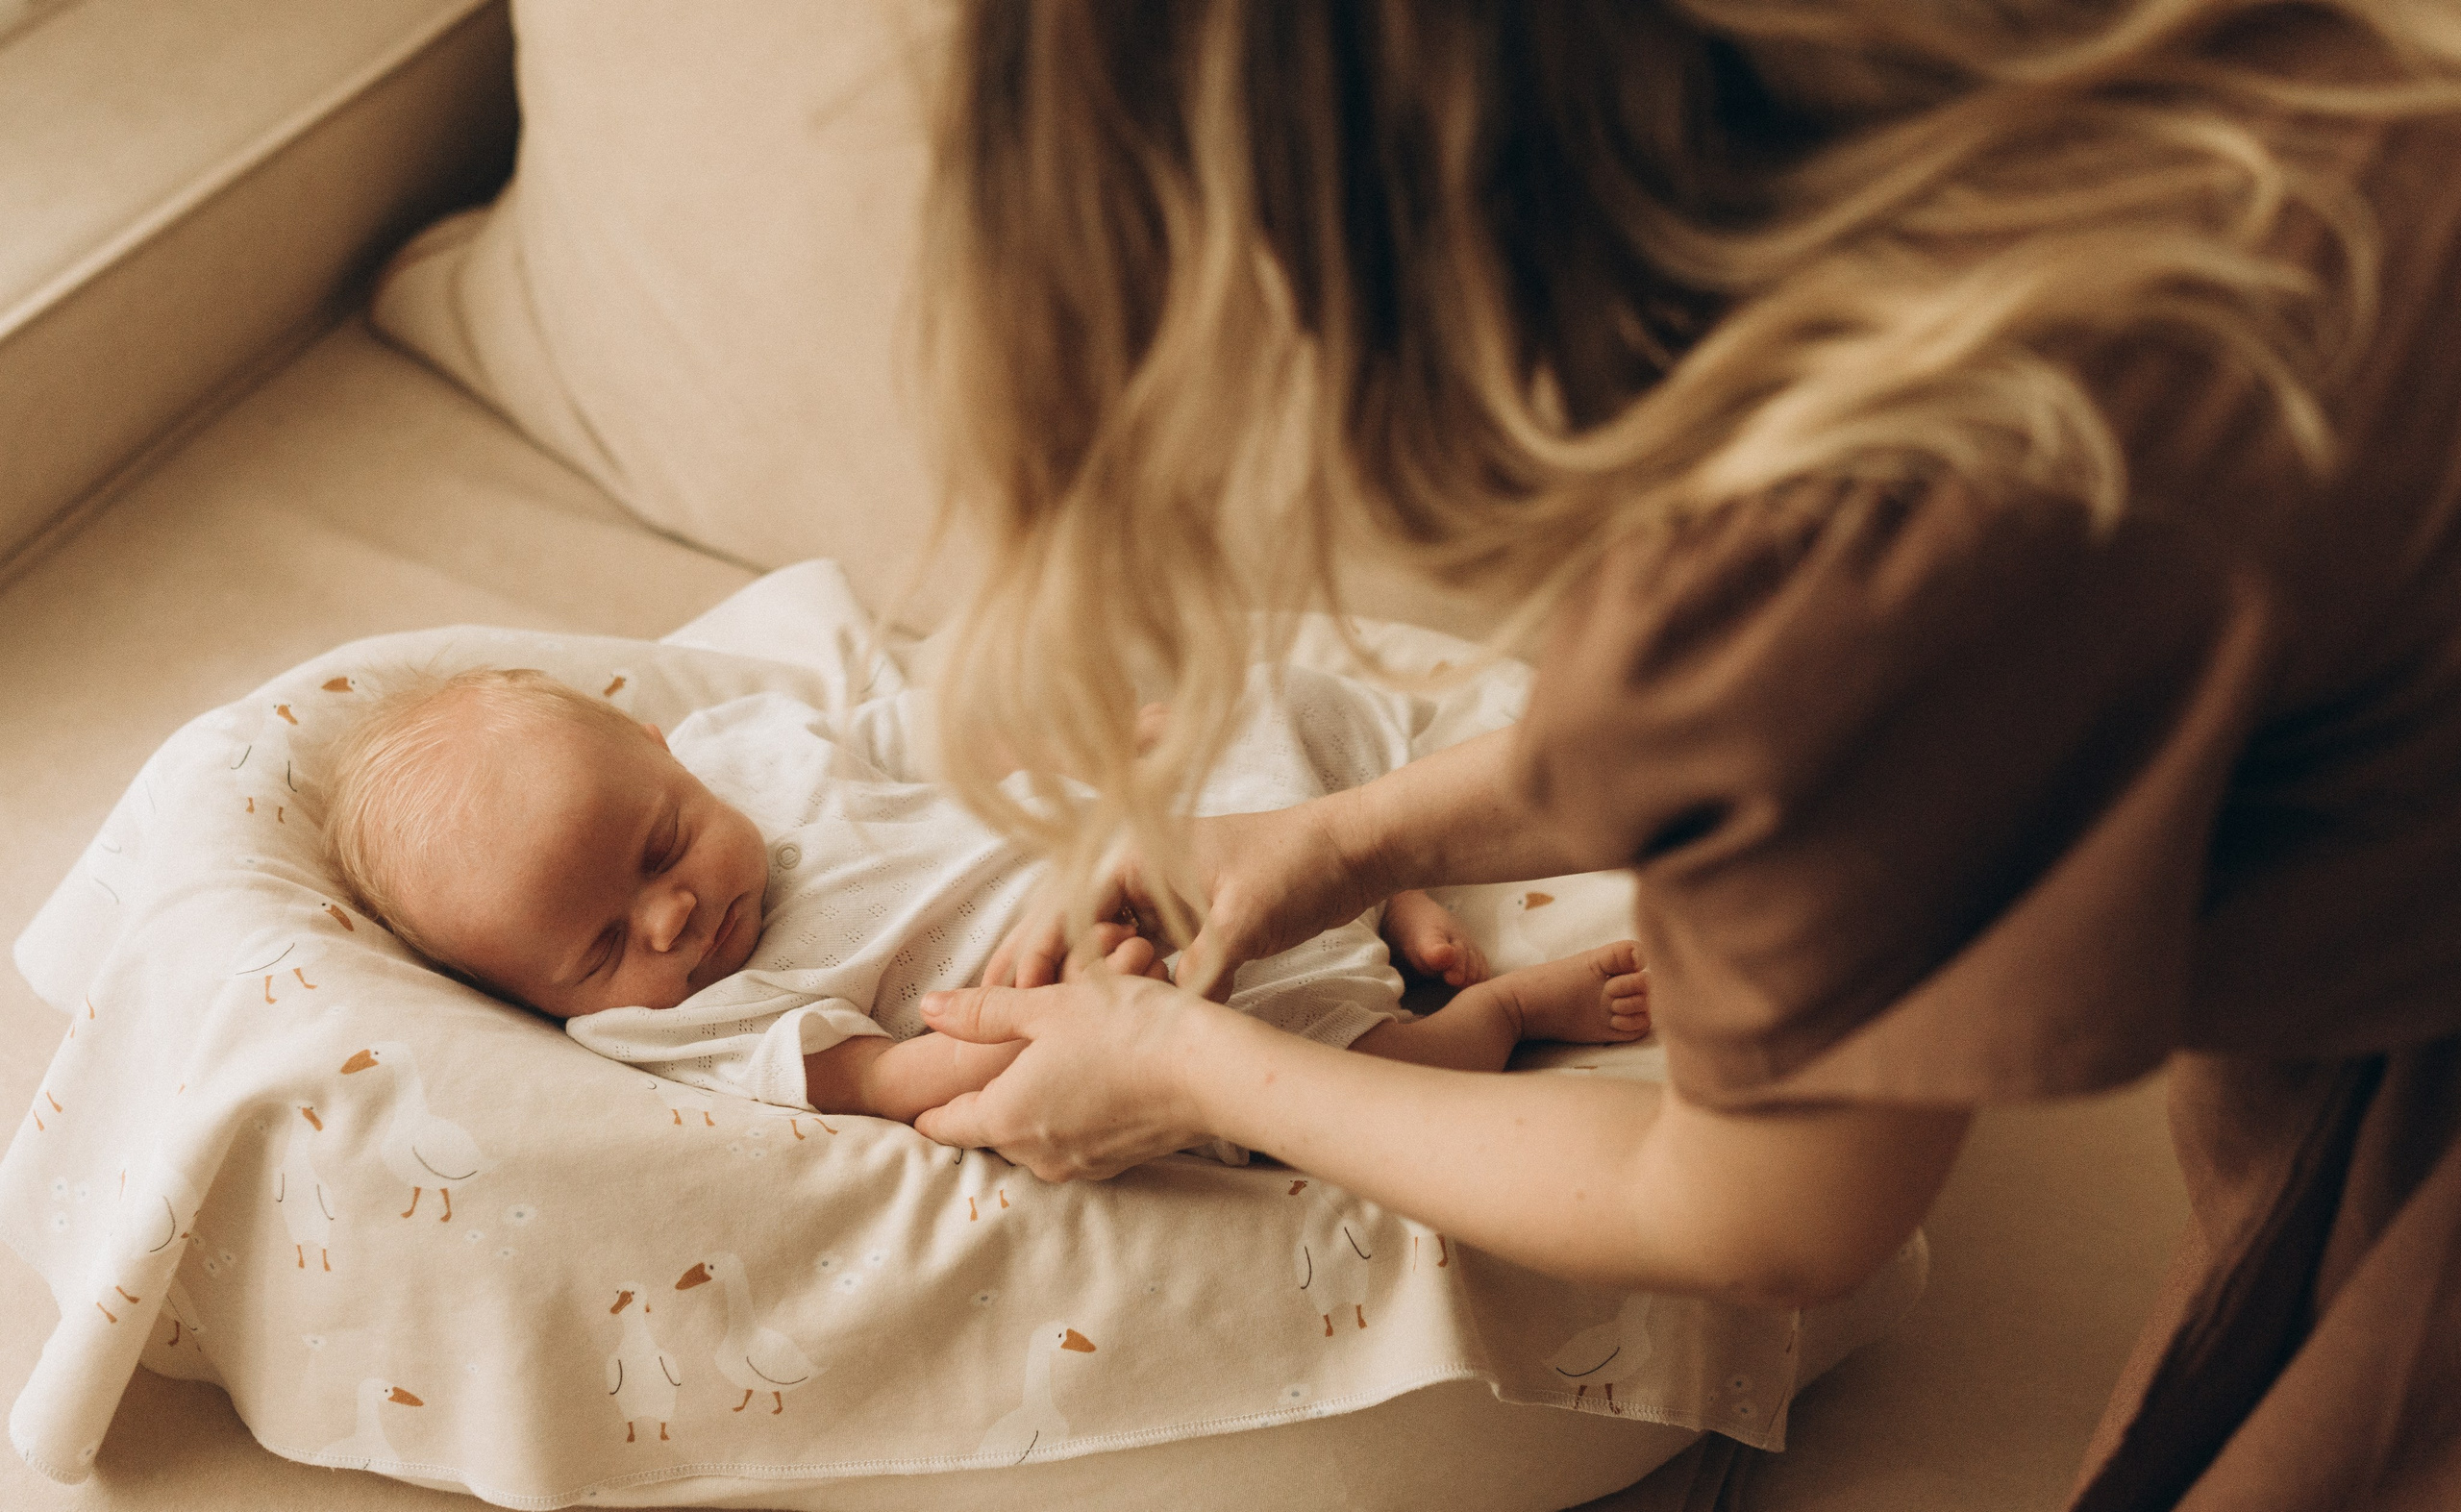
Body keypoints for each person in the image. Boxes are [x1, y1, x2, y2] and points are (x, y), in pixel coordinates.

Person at [898, 3, 2461, 1506]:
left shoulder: (1855, 545)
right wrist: (1336, 839)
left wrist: (1187, 1067)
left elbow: (1770, 1206)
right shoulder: (2111, 116)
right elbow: (1828, 728)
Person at [317, 666, 1650, 1127]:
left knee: (1257, 706)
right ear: (536, 998)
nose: (670, 917)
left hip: (1164, 841)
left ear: (668, 755)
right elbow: (882, 1078)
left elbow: (923, 734)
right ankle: (1512, 1006)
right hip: (1135, 985)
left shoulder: (749, 748)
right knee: (1367, 1074)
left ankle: (1395, 877)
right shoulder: (668, 1024)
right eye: (604, 942)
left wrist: (1068, 735)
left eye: (662, 847)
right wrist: (1067, 1031)